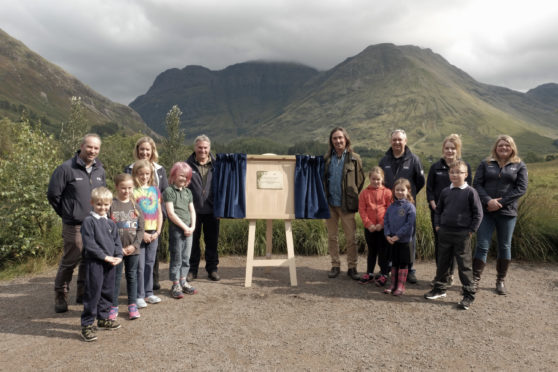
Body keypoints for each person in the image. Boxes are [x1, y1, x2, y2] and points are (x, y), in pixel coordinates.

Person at [47, 133, 106, 313]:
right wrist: (67, 213)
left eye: (96, 148)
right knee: (71, 259)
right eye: (89, 147)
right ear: (81, 146)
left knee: (89, 259)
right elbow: (53, 195)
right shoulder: (66, 168)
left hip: (94, 223)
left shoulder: (100, 170)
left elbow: (102, 194)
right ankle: (60, 294)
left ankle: (82, 292)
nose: (92, 151)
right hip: (75, 225)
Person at [473, 135, 528, 295]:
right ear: (495, 148)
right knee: (482, 245)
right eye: (500, 145)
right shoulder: (486, 163)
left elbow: (521, 189)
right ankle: (475, 280)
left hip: (507, 212)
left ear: (512, 148)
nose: (503, 148)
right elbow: (476, 184)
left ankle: (500, 281)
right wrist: (489, 201)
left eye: (507, 145)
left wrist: (500, 203)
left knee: (505, 246)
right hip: (486, 211)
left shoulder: (519, 165)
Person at [424, 161, 483, 310]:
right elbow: (438, 211)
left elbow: (478, 214)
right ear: (449, 174)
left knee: (464, 265)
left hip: (462, 234)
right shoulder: (445, 192)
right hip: (444, 232)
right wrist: (438, 226)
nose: (455, 175)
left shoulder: (471, 192)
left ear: (466, 174)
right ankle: (440, 289)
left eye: (459, 172)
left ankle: (468, 295)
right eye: (452, 172)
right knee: (443, 262)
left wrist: (471, 230)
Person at [379, 129, 425, 283]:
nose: (397, 142)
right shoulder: (384, 160)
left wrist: (408, 198)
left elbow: (420, 181)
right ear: (390, 141)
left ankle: (410, 269)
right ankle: (392, 267)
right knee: (391, 234)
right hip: (390, 206)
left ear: (405, 141)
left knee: (408, 236)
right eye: (394, 140)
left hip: (407, 206)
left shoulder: (414, 159)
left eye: (400, 140)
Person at [426, 134, 472, 286]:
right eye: (447, 148)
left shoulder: (465, 168)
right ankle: (441, 275)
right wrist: (433, 204)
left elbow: (469, 190)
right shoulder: (435, 167)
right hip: (438, 213)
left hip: (457, 216)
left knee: (455, 247)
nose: (449, 151)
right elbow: (430, 189)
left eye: (453, 148)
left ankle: (450, 274)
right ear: (443, 149)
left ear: (457, 150)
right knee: (440, 245)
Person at [80, 187, 123, 342]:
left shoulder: (111, 223)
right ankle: (87, 324)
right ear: (92, 203)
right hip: (95, 263)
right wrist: (104, 257)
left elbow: (117, 242)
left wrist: (118, 256)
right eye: (99, 204)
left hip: (111, 263)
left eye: (106, 205)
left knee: (107, 292)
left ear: (110, 204)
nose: (102, 208)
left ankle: (103, 318)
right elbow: (90, 245)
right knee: (93, 293)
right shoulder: (89, 222)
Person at [125, 136, 168, 290]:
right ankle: (137, 288)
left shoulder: (160, 169)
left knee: (152, 254)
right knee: (138, 255)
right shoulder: (129, 169)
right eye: (142, 149)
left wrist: (161, 216)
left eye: (147, 149)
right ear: (137, 150)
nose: (144, 152)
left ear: (152, 151)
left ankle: (152, 282)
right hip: (136, 219)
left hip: (155, 218)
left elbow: (164, 192)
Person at [323, 127, 365, 279]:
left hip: (347, 205)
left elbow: (360, 181)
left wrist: (350, 196)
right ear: (331, 141)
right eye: (335, 138)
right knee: (332, 237)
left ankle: (352, 267)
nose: (338, 141)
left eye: (340, 138)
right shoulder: (327, 159)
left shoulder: (355, 158)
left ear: (346, 139)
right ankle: (335, 265)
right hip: (330, 205)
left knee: (351, 238)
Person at [109, 174, 144, 320]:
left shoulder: (136, 206)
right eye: (123, 188)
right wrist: (117, 248)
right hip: (116, 251)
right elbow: (107, 230)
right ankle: (113, 306)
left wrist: (134, 245)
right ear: (117, 187)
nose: (126, 191)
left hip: (133, 250)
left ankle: (132, 305)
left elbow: (141, 229)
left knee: (132, 276)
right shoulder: (111, 205)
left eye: (129, 188)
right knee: (115, 278)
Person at [186, 135, 221, 281]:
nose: (203, 150)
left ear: (209, 148)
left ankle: (212, 269)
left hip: (213, 210)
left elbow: (222, 187)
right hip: (192, 211)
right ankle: (192, 271)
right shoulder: (186, 165)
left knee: (212, 241)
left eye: (205, 147)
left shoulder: (217, 165)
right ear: (195, 148)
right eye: (200, 147)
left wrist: (221, 208)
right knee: (193, 242)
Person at [164, 162, 198, 298]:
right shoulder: (169, 191)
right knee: (176, 258)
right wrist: (184, 227)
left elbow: (192, 211)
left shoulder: (188, 192)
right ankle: (175, 283)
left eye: (186, 176)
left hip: (189, 229)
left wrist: (192, 227)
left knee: (186, 257)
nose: (183, 178)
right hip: (177, 230)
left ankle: (183, 282)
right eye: (180, 175)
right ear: (174, 175)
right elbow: (171, 213)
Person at [132, 160, 163, 308]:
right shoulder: (133, 191)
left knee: (150, 264)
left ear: (151, 174)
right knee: (140, 265)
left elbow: (159, 212)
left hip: (153, 232)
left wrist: (158, 231)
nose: (144, 176)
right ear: (136, 174)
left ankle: (149, 292)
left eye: (147, 174)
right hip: (139, 233)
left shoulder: (155, 190)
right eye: (141, 174)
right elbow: (133, 214)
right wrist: (141, 233)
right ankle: (139, 295)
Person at [357, 167, 392, 286]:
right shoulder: (364, 193)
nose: (376, 181)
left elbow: (389, 210)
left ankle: (384, 274)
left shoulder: (387, 192)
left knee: (383, 252)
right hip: (370, 228)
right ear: (369, 178)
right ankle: (369, 273)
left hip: (383, 228)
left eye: (378, 179)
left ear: (382, 179)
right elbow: (362, 210)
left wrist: (382, 224)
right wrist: (369, 224)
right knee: (371, 251)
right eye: (373, 179)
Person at [383, 178, 416, 296]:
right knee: (394, 262)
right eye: (397, 190)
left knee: (403, 263)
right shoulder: (391, 206)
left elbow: (409, 225)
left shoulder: (410, 207)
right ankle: (393, 284)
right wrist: (387, 234)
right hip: (392, 240)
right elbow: (386, 220)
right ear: (394, 191)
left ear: (408, 191)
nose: (400, 192)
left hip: (404, 241)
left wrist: (398, 236)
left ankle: (401, 286)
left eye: (403, 190)